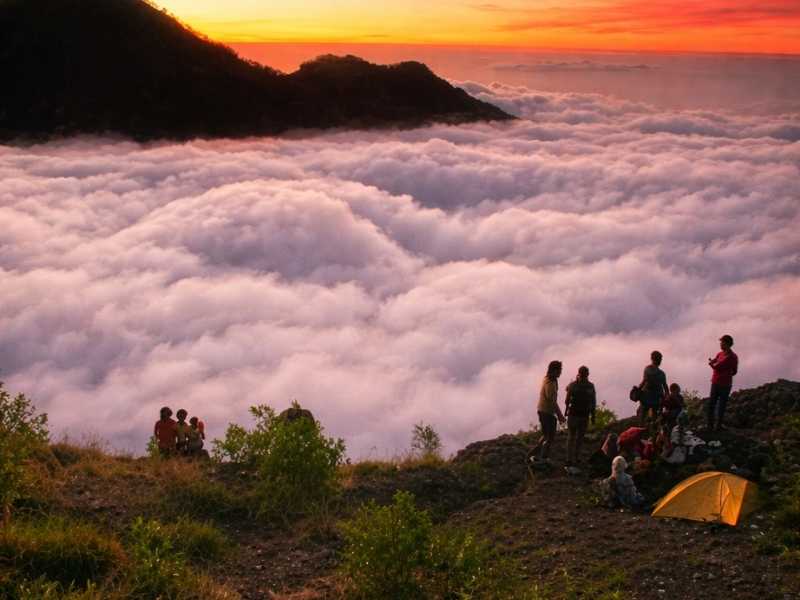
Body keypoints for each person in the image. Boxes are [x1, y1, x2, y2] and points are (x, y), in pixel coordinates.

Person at [529, 360, 565, 463]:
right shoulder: (550, 383)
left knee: (546, 435)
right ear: (554, 370)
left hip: (543, 410)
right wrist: (560, 416)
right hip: (546, 412)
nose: (560, 372)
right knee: (550, 437)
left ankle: (534, 455)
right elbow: (552, 402)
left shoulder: (549, 379)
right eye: (559, 370)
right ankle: (542, 458)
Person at [564, 365, 596, 468]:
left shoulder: (573, 385)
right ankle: (576, 458)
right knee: (579, 438)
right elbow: (593, 402)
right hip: (584, 415)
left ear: (579, 373)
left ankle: (569, 459)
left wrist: (567, 409)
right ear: (587, 374)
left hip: (573, 414)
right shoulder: (590, 386)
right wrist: (593, 416)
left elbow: (567, 400)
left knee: (571, 437)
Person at [707, 334, 739, 431]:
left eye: (722, 342)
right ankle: (713, 426)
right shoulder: (721, 354)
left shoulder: (731, 357)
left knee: (717, 405)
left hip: (721, 384)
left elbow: (716, 366)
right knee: (716, 405)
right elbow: (734, 371)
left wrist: (711, 364)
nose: (720, 344)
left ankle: (714, 426)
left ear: (727, 344)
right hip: (720, 382)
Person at [639, 350, 668, 426]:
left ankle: (641, 429)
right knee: (654, 417)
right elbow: (665, 387)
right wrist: (666, 398)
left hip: (646, 397)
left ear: (652, 358)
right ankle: (653, 431)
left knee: (642, 415)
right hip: (657, 399)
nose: (661, 361)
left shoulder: (647, 369)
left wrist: (637, 390)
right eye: (660, 359)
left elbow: (644, 381)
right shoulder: (661, 373)